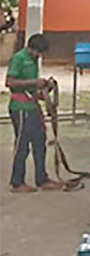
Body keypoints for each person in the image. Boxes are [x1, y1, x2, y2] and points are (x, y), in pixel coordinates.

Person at [6, 34, 62, 192]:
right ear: (31, 48)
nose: (39, 56)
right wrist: (34, 83)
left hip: (32, 106)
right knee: (22, 145)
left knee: (40, 143)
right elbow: (10, 82)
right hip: (20, 108)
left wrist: (44, 89)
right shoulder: (19, 58)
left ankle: (42, 179)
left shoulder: (33, 61)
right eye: (38, 52)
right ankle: (17, 182)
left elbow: (30, 89)